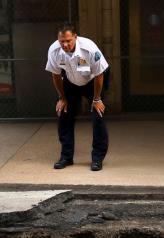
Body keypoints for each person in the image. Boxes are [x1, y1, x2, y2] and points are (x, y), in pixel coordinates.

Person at [45, 23, 109, 171]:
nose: (65, 44)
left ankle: (97, 158)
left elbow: (99, 74)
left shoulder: (89, 48)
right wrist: (62, 98)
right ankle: (66, 157)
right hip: (71, 81)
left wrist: (97, 99)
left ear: (75, 37)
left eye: (68, 40)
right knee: (64, 114)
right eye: (62, 41)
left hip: (93, 81)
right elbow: (55, 75)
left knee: (97, 116)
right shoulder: (54, 50)